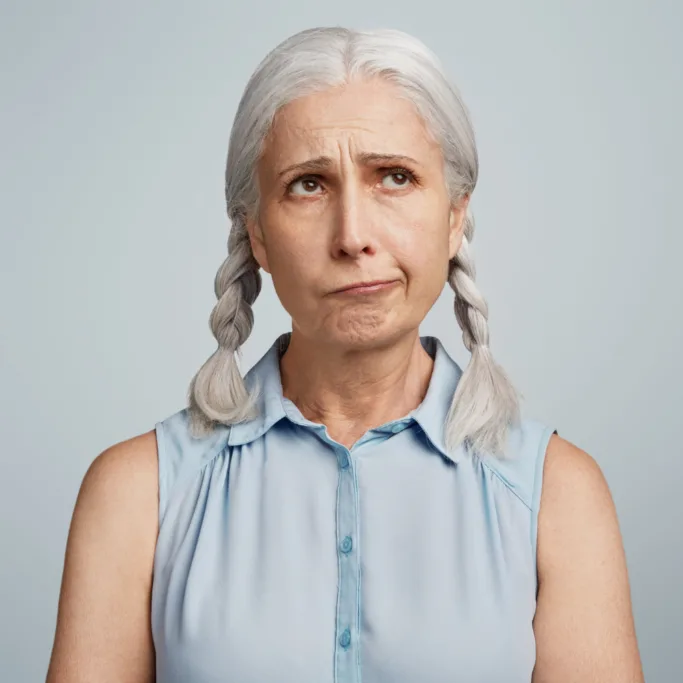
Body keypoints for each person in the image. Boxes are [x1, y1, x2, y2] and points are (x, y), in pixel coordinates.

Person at [46, 26, 643, 683]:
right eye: (308, 185)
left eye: (395, 176)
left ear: (454, 216)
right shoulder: (137, 494)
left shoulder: (557, 495)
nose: (353, 235)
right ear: (258, 235)